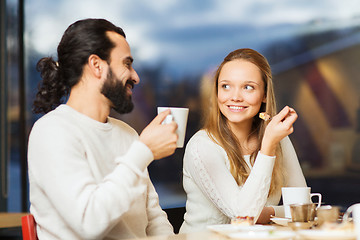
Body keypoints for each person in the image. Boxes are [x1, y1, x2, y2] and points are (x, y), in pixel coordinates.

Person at [28, 18, 178, 239]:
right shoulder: (52, 131)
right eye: (127, 64)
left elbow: (154, 219)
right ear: (97, 66)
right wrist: (144, 151)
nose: (135, 76)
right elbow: (88, 223)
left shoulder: (127, 134)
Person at [179, 48, 307, 233]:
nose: (235, 97)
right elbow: (243, 216)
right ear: (216, 92)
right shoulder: (201, 146)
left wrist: (267, 212)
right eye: (226, 86)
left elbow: (302, 206)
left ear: (264, 94)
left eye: (248, 87)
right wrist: (268, 147)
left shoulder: (277, 138)